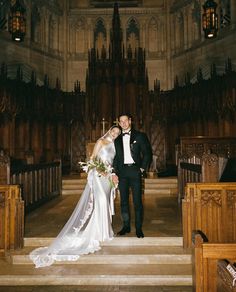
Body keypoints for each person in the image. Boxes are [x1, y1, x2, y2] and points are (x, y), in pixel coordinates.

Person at [30, 125, 121, 268]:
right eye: (113, 131)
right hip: (98, 176)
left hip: (108, 177)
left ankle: (105, 231)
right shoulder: (100, 142)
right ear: (109, 131)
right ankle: (99, 232)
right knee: (101, 201)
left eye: (117, 133)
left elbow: (113, 162)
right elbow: (92, 159)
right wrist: (101, 170)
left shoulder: (115, 145)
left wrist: (112, 174)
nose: (115, 134)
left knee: (106, 202)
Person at [113, 113, 152, 238]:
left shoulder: (140, 136)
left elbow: (147, 153)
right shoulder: (117, 139)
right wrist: (114, 172)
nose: (124, 123)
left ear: (130, 121)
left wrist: (142, 168)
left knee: (137, 202)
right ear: (119, 123)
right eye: (121, 121)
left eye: (126, 120)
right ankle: (126, 226)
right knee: (123, 202)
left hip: (135, 172)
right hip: (122, 173)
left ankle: (139, 228)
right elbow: (116, 158)